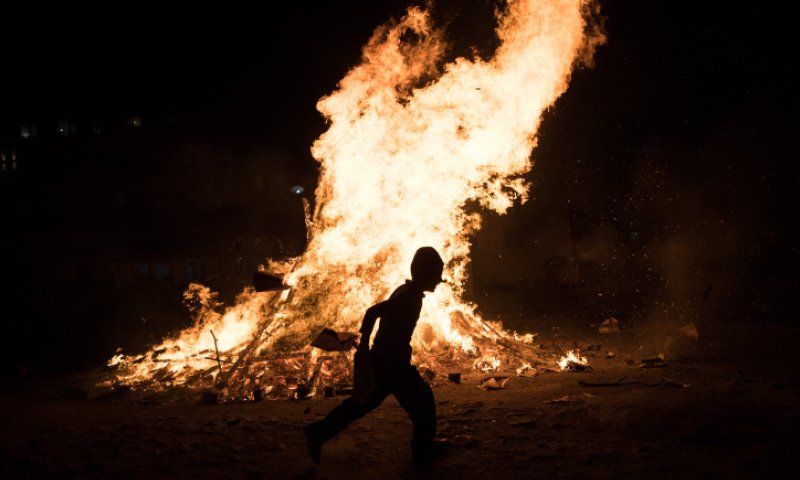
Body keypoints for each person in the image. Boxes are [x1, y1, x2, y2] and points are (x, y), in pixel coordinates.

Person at [304, 246, 447, 465]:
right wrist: (363, 345)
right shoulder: (408, 297)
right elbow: (373, 312)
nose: (438, 280)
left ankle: (318, 432)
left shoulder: (407, 291)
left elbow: (378, 315)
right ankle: (422, 449)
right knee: (422, 400)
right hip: (392, 364)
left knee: (363, 405)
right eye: (436, 274)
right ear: (425, 273)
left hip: (386, 361)